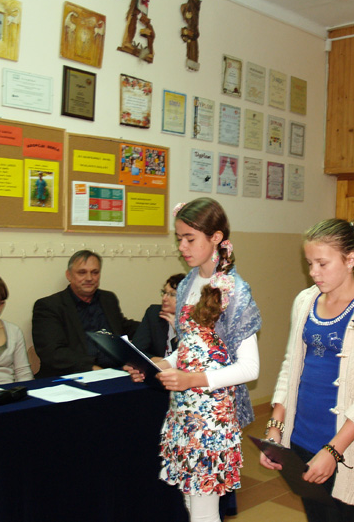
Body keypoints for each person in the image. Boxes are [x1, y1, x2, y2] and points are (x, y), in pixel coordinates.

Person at [126, 197, 261, 522]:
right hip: (183, 409)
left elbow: (250, 368)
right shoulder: (188, 282)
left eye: (190, 238)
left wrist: (192, 379)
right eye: (179, 239)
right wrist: (160, 364)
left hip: (213, 415)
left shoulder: (235, 291)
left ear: (216, 237)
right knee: (190, 502)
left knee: (203, 510)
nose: (182, 247)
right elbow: (190, 347)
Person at [259, 218, 354, 522]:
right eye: (309, 263)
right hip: (301, 438)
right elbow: (291, 365)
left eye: (322, 263)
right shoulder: (305, 300)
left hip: (343, 446)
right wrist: (276, 427)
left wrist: (333, 452)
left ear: (350, 260)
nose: (313, 272)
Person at [32, 250, 139, 378]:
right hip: (72, 376)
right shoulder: (49, 306)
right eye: (82, 272)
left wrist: (155, 323)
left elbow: (122, 326)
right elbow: (53, 353)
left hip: (115, 372)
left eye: (95, 272)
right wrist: (92, 368)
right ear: (69, 275)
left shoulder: (108, 299)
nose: (89, 278)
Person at [134, 273, 186, 361]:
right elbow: (136, 350)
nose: (164, 298)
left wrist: (179, 331)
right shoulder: (154, 313)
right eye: (164, 292)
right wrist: (161, 362)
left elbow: (188, 359)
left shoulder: (195, 321)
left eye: (172, 294)